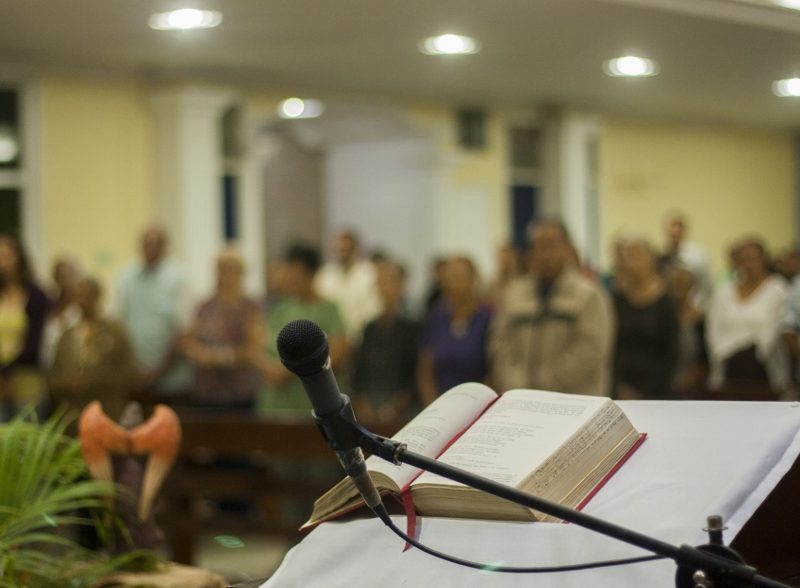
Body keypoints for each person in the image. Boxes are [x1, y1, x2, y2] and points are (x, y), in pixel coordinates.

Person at [490, 220, 614, 396]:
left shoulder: (589, 296)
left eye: (551, 245)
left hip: (574, 398)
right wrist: (516, 382)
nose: (544, 254)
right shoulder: (513, 294)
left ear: (567, 248)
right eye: (537, 247)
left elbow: (589, 349)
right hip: (521, 397)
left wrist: (544, 382)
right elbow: (500, 343)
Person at [259, 242, 346, 412]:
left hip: (310, 403)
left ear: (311, 273)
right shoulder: (281, 308)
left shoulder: (329, 309)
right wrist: (267, 368)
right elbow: (259, 344)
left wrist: (286, 372)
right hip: (274, 403)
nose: (290, 277)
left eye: (296, 271)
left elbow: (338, 353)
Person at [182, 248, 263, 410]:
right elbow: (189, 338)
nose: (226, 276)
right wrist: (197, 352)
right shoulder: (205, 306)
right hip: (207, 392)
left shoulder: (250, 308)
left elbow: (254, 349)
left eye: (231, 270)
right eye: (222, 270)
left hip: (239, 393)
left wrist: (219, 357)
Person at [706, 238, 788, 396]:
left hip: (763, 373)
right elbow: (713, 330)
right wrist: (724, 355)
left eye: (753, 259)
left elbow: (770, 334)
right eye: (743, 259)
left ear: (764, 260)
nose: (748, 264)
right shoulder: (723, 291)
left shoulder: (778, 290)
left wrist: (747, 357)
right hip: (725, 370)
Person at [116, 226, 192, 394]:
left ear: (165, 247)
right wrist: (133, 367)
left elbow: (184, 331)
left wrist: (158, 372)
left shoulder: (179, 279)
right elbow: (119, 326)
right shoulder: (126, 278)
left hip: (172, 382)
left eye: (155, 244)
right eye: (146, 244)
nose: (150, 248)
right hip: (134, 379)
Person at [49, 277, 136, 422]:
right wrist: (67, 382)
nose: (82, 301)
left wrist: (92, 382)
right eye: (78, 296)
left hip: (106, 412)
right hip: (73, 414)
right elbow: (52, 376)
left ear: (97, 297)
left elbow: (129, 373)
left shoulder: (115, 332)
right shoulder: (67, 335)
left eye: (87, 295)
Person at [351, 261, 420, 423]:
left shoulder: (413, 327)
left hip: (403, 413)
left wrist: (395, 408)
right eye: (379, 283)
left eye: (388, 282)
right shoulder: (369, 328)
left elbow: (415, 373)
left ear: (401, 286)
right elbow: (359, 371)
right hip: (368, 409)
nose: (383, 288)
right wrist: (361, 403)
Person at [417, 256, 492, 404]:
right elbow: (425, 370)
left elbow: (493, 371)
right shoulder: (437, 317)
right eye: (449, 278)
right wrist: (433, 406)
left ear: (473, 280)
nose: (454, 284)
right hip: (439, 402)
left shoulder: (486, 319)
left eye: (459, 277)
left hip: (477, 403)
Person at [612, 238, 680, 399]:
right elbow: (611, 347)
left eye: (635, 255)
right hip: (620, 388)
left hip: (656, 391)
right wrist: (618, 386)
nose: (629, 263)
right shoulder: (617, 300)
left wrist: (647, 391)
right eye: (625, 257)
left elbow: (671, 352)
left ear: (651, 259)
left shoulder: (666, 302)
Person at [0, 234, 50, 420]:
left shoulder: (36, 296)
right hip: (1, 383)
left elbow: (34, 343)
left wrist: (6, 370)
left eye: (6, 256)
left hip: (27, 380)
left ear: (19, 258)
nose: (3, 262)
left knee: (27, 433)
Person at [315, 230, 380, 344]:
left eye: (346, 249)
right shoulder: (324, 275)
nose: (342, 254)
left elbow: (374, 307)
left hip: (362, 337)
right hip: (331, 338)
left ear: (355, 250)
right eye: (339, 250)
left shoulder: (369, 273)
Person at [668, 264, 708, 396]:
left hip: (692, 383)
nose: (678, 288)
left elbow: (705, 356)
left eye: (683, 283)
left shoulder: (700, 318)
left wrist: (694, 374)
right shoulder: (661, 316)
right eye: (674, 284)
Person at [659, 212, 712, 306]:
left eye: (677, 230)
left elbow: (706, 285)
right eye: (671, 231)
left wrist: (697, 305)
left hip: (694, 305)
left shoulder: (699, 254)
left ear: (683, 231)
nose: (674, 234)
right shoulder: (662, 256)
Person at [41, 255, 82, 368]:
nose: (64, 280)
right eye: (60, 275)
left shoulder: (82, 309)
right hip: (48, 368)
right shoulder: (48, 306)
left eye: (69, 274)